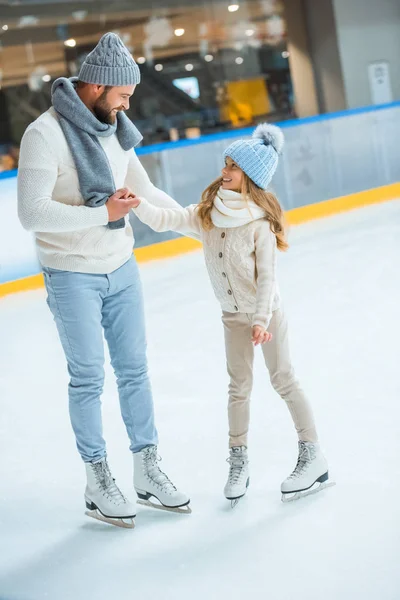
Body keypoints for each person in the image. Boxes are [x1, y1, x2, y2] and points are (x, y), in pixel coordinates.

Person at [17, 32, 190, 528]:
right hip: (72, 275)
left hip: (122, 267)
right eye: (123, 95)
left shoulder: (113, 128)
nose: (127, 105)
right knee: (89, 377)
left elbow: (145, 189)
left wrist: (200, 226)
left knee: (135, 370)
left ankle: (147, 469)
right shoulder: (43, 135)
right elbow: (32, 213)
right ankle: (98, 480)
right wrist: (102, 213)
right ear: (96, 86)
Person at [129, 123, 331, 505]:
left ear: (251, 177)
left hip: (265, 314)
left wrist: (259, 321)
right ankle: (238, 461)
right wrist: (137, 203)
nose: (225, 170)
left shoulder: (259, 225)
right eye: (226, 162)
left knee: (283, 379)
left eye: (234, 166)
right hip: (231, 316)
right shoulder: (208, 215)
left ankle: (312, 453)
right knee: (238, 388)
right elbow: (165, 219)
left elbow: (268, 277)